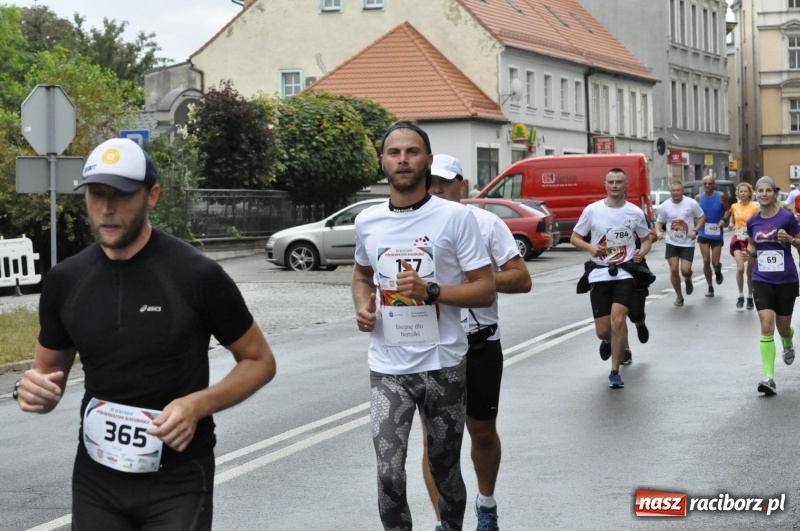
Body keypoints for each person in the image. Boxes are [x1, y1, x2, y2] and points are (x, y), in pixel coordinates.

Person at [13, 138, 277, 530]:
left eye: (121, 195)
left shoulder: (195, 274)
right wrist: (32, 393)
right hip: (96, 478)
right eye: (96, 194)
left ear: (151, 195)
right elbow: (45, 379)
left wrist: (197, 405)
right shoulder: (66, 280)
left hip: (178, 479)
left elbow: (259, 361)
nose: (106, 208)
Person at [352, 123, 496, 531]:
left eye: (412, 152)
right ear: (382, 161)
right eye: (394, 152)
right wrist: (362, 306)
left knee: (444, 468)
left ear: (428, 161)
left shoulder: (455, 217)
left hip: (443, 364)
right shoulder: (367, 220)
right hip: (388, 367)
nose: (402, 160)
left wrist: (431, 290)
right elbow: (362, 275)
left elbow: (485, 290)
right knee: (388, 474)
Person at [421, 154, 531, 531]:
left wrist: (476, 280)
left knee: (481, 432)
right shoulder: (411, 226)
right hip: (430, 345)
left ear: (462, 186)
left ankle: (486, 505)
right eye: (429, 182)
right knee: (434, 441)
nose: (436, 189)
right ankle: (445, 522)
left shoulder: (486, 223)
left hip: (479, 342)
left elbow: (521, 279)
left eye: (444, 182)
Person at [571, 168, 654, 389]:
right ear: (605, 185)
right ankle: (608, 340)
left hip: (625, 271)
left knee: (618, 319)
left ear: (626, 185)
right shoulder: (592, 210)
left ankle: (615, 371)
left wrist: (641, 252)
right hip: (599, 272)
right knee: (604, 330)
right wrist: (591, 247)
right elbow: (575, 237)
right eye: (611, 182)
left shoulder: (635, 212)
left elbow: (647, 238)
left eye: (619, 182)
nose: (615, 185)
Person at [746, 176, 800, 395]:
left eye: (768, 190)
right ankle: (769, 378)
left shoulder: (787, 217)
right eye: (761, 190)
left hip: (786, 279)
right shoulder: (752, 221)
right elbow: (752, 245)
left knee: (782, 327)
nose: (764, 194)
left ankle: (788, 340)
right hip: (762, 279)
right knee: (766, 326)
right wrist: (747, 253)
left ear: (775, 194)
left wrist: (791, 240)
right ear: (756, 194)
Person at [655, 181, 706, 306]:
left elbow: (702, 217)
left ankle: (688, 278)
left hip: (687, 241)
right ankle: (679, 295)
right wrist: (658, 232)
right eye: (673, 190)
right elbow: (659, 221)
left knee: (685, 270)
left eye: (678, 190)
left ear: (682, 191)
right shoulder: (665, 206)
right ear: (670, 192)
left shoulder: (691, 203)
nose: (676, 193)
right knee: (673, 269)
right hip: (672, 241)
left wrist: (695, 230)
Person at [695, 175, 730, 297]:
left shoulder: (720, 196)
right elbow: (695, 213)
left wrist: (723, 220)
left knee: (715, 262)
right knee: (706, 260)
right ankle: (710, 287)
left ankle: (718, 270)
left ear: (714, 184)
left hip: (716, 232)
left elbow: (727, 210)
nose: (707, 185)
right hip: (703, 231)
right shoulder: (698, 198)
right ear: (702, 185)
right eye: (705, 183)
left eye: (710, 183)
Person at [728, 182, 759, 309]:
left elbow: (758, 222)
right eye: (741, 191)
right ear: (738, 194)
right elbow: (732, 219)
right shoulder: (734, 206)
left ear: (750, 193)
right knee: (740, 268)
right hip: (738, 239)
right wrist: (731, 224)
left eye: (745, 191)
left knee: (750, 272)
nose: (743, 193)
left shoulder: (754, 208)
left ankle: (749, 297)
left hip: (750, 241)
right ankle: (740, 295)